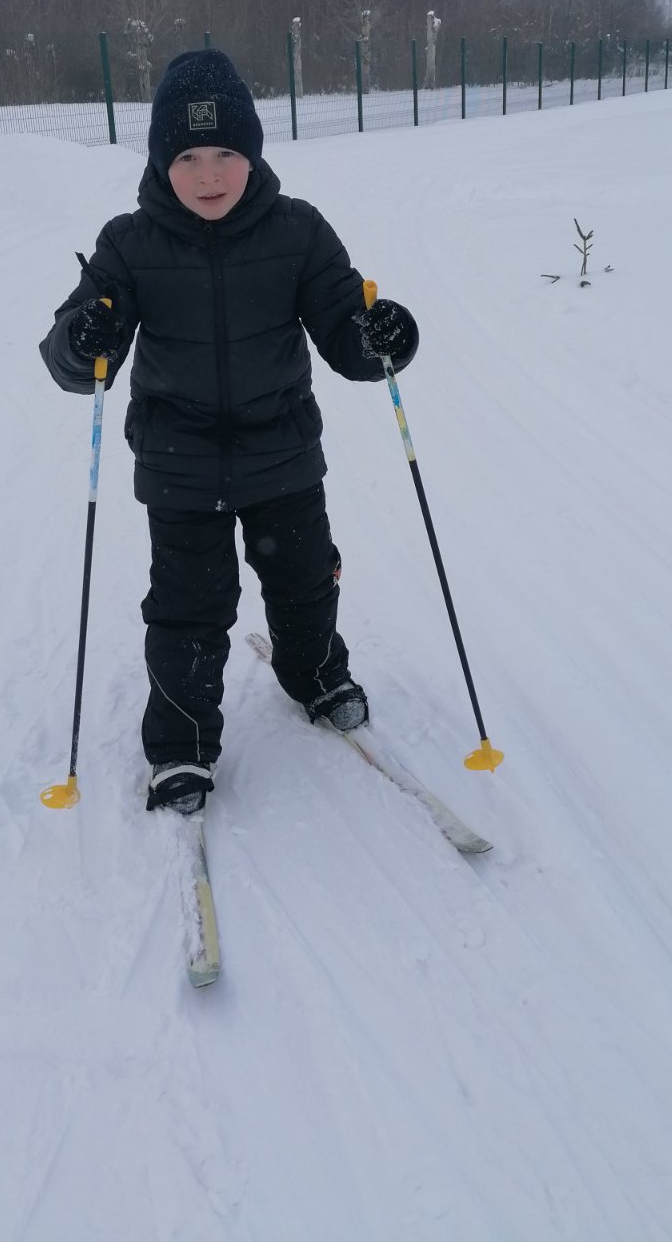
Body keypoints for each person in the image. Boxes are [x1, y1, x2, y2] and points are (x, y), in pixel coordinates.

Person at [40, 50, 418, 815]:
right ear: (159, 162)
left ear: (252, 156)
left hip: (282, 456)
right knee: (188, 608)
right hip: (179, 466)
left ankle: (314, 675)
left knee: (305, 581)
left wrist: (383, 335)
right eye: (187, 157)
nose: (208, 176)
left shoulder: (299, 233)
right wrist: (83, 341)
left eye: (225, 155)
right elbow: (75, 353)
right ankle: (180, 745)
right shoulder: (129, 244)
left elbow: (348, 333)